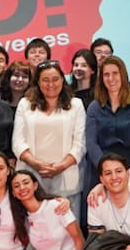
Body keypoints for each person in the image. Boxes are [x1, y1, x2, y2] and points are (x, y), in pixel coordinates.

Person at [13, 59, 86, 214]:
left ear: (63, 80)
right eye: (45, 80)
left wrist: (61, 166)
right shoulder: (25, 104)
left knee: (69, 233)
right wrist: (37, 164)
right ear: (38, 82)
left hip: (66, 179)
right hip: (31, 178)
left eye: (55, 79)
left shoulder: (76, 105)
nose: (50, 84)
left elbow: (80, 144)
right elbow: (18, 142)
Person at [84, 55, 130, 172]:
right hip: (100, 169)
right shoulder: (94, 107)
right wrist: (105, 169)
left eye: (115, 73)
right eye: (106, 74)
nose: (111, 78)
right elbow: (91, 143)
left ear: (123, 75)